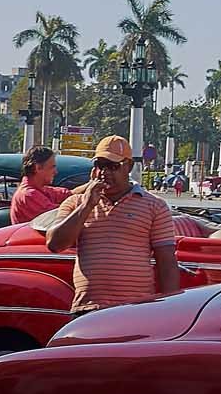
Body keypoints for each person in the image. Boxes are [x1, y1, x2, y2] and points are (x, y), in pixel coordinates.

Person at [44, 134, 181, 314]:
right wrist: (87, 205)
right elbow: (55, 244)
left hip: (135, 310)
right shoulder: (75, 203)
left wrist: (170, 309)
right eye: (100, 165)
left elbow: (167, 262)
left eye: (113, 166)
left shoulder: (154, 206)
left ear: (129, 167)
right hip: (88, 308)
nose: (105, 172)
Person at [9, 145, 64, 226]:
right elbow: (62, 214)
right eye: (52, 167)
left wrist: (89, 184)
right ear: (38, 168)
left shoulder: (40, 189)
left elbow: (68, 193)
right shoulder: (29, 194)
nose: (55, 172)